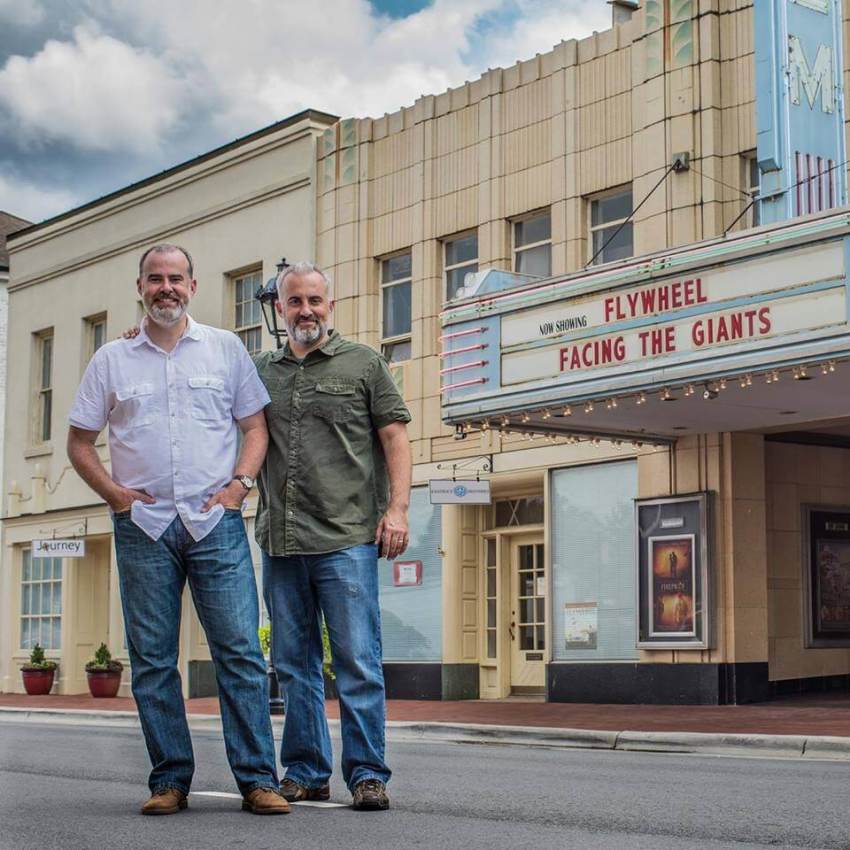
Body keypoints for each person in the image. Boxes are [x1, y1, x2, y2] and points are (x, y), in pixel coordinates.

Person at [67, 244, 288, 816]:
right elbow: (79, 441)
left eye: (176, 279)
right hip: (142, 525)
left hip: (215, 521)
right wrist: (115, 496)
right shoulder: (110, 360)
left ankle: (258, 780)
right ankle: (169, 779)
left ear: (192, 286)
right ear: (140, 287)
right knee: (153, 660)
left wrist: (239, 485)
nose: (166, 287)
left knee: (239, 652)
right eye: (155, 279)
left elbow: (255, 427)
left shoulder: (224, 349)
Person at [255, 261, 412, 811]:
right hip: (282, 540)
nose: (306, 311)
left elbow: (394, 436)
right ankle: (305, 770)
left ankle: (368, 774)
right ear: (281, 307)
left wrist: (397, 509)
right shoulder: (259, 371)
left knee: (357, 661)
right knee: (294, 665)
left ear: (330, 305)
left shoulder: (364, 364)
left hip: (347, 537)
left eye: (315, 301)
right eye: (295, 301)